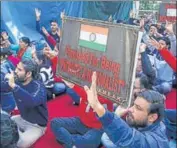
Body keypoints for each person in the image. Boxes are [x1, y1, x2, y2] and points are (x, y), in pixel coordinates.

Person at [84, 72, 169, 148]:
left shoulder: (155, 143)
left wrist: (99, 109)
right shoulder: (146, 121)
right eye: (134, 105)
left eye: (138, 108)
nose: (130, 109)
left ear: (152, 117)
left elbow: (129, 138)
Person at [5, 58, 48, 148]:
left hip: (37, 126)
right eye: (16, 67)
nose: (15, 71)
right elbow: (3, 87)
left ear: (28, 74)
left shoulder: (39, 87)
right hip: (22, 118)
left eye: (19, 69)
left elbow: (31, 101)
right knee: (5, 122)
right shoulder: (17, 81)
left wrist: (14, 86)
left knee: (21, 143)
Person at [0, 47, 16, 113]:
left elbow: (3, 85)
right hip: (11, 92)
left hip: (6, 94)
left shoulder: (2, 68)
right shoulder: (9, 62)